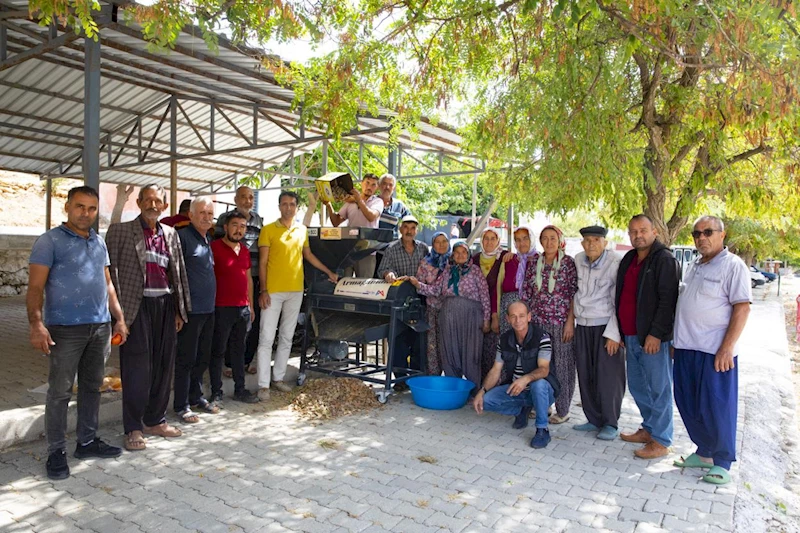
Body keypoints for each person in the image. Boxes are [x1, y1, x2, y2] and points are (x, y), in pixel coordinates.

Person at [28, 186, 127, 480]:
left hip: (99, 327)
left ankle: (86, 441)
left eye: (92, 208)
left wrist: (118, 318)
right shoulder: (49, 242)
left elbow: (108, 284)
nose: (86, 213)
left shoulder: (99, 243)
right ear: (67, 207)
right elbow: (35, 287)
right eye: (80, 207)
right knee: (59, 392)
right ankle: (56, 451)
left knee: (91, 387)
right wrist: (36, 324)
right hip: (64, 329)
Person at [106, 184, 191, 452]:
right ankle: (133, 427)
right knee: (136, 368)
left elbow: (177, 273)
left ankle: (155, 420)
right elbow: (108, 275)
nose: (153, 205)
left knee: (164, 367)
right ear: (139, 202)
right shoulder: (120, 231)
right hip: (135, 307)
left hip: (164, 305)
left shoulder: (170, 234)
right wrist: (118, 317)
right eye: (148, 200)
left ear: (164, 207)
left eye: (158, 201)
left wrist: (178, 309)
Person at [673, 216, 751, 485]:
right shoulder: (693, 265)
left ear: (722, 234)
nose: (701, 238)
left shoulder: (733, 266)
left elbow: (742, 307)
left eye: (708, 232)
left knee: (717, 407)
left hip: (714, 351)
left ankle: (722, 462)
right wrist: (676, 341)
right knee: (688, 402)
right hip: (685, 347)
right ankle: (704, 452)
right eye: (696, 234)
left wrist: (727, 347)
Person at [256, 191, 338, 400]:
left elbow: (308, 255)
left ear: (296, 207)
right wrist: (263, 290)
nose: (288, 208)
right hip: (272, 291)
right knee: (266, 337)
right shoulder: (268, 230)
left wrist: (328, 272)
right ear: (279, 206)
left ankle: (278, 379)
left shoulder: (301, 230)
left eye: (292, 204)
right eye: (285, 204)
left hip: (295, 291)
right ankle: (263, 385)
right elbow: (263, 263)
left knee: (286, 336)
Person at [615, 214, 680, 459]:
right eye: (633, 231)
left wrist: (655, 334)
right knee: (638, 386)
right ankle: (649, 429)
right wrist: (621, 332)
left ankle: (662, 441)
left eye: (643, 230)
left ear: (654, 232)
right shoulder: (630, 259)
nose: (638, 235)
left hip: (652, 338)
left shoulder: (664, 260)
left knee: (659, 388)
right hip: (630, 336)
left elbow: (668, 302)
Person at [474, 301, 558, 449]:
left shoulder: (542, 337)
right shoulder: (504, 339)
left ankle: (542, 429)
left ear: (529, 317)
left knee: (538, 384)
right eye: (513, 316)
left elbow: (544, 369)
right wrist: (482, 391)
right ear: (507, 319)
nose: (517, 320)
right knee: (485, 401)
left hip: (542, 391)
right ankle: (522, 409)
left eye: (521, 316)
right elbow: (495, 370)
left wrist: (525, 379)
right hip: (516, 390)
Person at [410, 241, 490, 389]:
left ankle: (473, 390)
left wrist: (486, 320)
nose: (460, 255)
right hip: (448, 317)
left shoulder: (475, 271)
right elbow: (435, 290)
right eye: (457, 252)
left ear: (468, 254)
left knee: (471, 353)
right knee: (450, 351)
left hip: (471, 317)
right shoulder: (447, 271)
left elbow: (485, 296)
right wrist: (417, 285)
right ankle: (454, 388)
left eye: (464, 252)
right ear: (453, 255)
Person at [572, 225, 625, 441]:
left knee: (609, 378)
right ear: (582, 243)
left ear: (605, 242)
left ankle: (610, 422)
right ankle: (593, 418)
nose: (591, 244)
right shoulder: (578, 259)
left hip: (605, 327)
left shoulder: (615, 262)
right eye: (587, 240)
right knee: (586, 374)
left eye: (596, 239)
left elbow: (619, 300)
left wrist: (614, 333)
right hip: (583, 325)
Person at [520, 225, 578, 425]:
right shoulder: (535, 261)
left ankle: (563, 410)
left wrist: (570, 322)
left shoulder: (568, 263)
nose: (549, 242)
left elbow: (572, 294)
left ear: (559, 240)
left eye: (553, 238)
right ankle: (543, 404)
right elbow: (527, 292)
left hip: (561, 323)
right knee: (541, 365)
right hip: (538, 322)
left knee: (563, 366)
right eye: (545, 238)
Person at [173, 198, 219, 423]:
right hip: (190, 311)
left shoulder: (207, 238)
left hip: (208, 309)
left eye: (210, 213)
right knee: (185, 359)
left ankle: (195, 396)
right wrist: (178, 310)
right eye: (201, 212)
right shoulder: (182, 238)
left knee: (202, 357)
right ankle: (181, 405)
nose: (206, 217)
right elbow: (174, 275)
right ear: (190, 215)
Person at [209, 212, 260, 404]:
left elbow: (248, 280)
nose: (239, 229)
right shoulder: (213, 248)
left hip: (243, 309)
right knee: (218, 351)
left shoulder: (245, 251)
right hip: (221, 308)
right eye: (235, 225)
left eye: (242, 226)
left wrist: (251, 306)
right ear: (226, 227)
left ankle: (241, 389)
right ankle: (216, 392)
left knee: (239, 351)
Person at [376, 215, 429, 388]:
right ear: (400, 229)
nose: (409, 231)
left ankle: (416, 379)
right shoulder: (391, 249)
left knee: (418, 340)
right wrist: (388, 274)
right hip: (398, 300)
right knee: (398, 339)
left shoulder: (423, 249)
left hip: (419, 299)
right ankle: (399, 380)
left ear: (416, 231)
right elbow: (382, 269)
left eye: (413, 228)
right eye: (406, 227)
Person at [215, 186, 263, 376]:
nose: (247, 201)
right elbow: (219, 245)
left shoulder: (259, 220)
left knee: (252, 320)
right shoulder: (224, 219)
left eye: (251, 197)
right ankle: (228, 364)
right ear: (236, 199)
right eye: (243, 197)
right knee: (228, 325)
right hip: (229, 276)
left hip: (254, 276)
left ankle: (246, 360)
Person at [323, 173, 383, 278]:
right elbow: (336, 222)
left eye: (373, 185)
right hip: (349, 250)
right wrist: (329, 205)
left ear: (377, 188)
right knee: (344, 283)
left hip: (367, 252)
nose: (369, 187)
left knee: (364, 286)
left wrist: (358, 200)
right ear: (361, 184)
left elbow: (371, 216)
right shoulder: (350, 202)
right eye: (367, 183)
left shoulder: (377, 201)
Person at [473, 227, 509, 380]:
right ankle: (478, 385)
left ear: (498, 241)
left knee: (494, 350)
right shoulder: (474, 259)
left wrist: (494, 315)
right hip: (475, 312)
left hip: (496, 311)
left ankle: (494, 385)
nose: (489, 242)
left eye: (492, 238)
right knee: (476, 349)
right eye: (486, 238)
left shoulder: (504, 258)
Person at [416, 232, 451, 376]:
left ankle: (451, 376)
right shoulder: (426, 263)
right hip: (431, 309)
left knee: (449, 343)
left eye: (444, 241)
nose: (442, 245)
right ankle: (434, 377)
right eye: (438, 242)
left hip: (450, 310)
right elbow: (418, 286)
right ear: (433, 244)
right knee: (432, 345)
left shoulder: (455, 261)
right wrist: (432, 292)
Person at [497, 226, 538, 335]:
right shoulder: (509, 260)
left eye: (525, 238)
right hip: (508, 311)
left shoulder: (539, 260)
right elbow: (499, 288)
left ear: (531, 239)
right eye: (518, 240)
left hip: (530, 311)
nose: (522, 243)